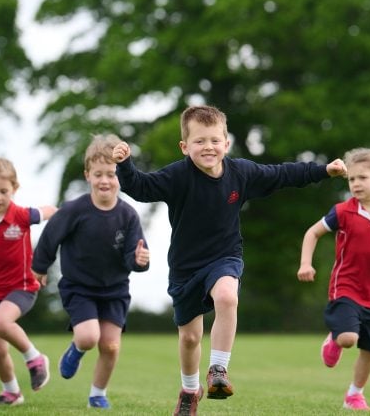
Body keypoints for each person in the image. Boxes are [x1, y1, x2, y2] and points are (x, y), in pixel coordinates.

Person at [112, 105, 347, 415]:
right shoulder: (177, 176)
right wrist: (125, 165)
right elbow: (140, 187)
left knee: (227, 296)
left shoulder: (241, 172)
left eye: (214, 140)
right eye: (199, 141)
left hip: (225, 256)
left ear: (226, 143)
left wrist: (322, 170)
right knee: (190, 338)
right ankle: (189, 389)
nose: (207, 147)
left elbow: (282, 174)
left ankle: (219, 370)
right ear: (185, 147)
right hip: (185, 267)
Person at [31, 134, 150, 410]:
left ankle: (98, 394)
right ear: (88, 175)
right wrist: (39, 266)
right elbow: (50, 237)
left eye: (111, 173)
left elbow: (135, 255)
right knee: (88, 337)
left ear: (120, 175)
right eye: (98, 174)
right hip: (79, 287)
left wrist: (141, 260)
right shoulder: (74, 210)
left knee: (110, 346)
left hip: (115, 290)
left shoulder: (129, 215)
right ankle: (76, 349)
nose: (105, 180)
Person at [297, 147, 370, 411]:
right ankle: (336, 338)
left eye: (363, 178)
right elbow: (312, 233)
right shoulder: (342, 211)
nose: (356, 184)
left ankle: (354, 394)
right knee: (348, 338)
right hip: (346, 288)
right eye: (351, 179)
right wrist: (305, 263)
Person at [0, 157, 57, 406]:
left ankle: (35, 359)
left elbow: (50, 211)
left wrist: (68, 219)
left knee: (1, 322)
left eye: (4, 191)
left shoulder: (22, 215)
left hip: (22, 287)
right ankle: (11, 392)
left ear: (14, 189)